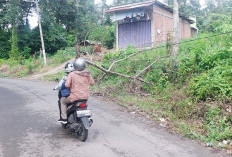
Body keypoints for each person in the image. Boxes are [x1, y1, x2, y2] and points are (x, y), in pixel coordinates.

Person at [59, 58, 95, 123]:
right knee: (85, 105)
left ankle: (64, 118)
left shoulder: (72, 74)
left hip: (75, 97)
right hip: (85, 97)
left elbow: (67, 85)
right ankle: (88, 117)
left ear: (75, 66)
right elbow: (92, 83)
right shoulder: (87, 74)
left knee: (62, 101)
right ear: (84, 66)